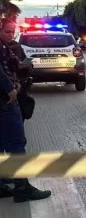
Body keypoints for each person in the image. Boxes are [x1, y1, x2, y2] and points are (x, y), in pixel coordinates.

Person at [0, 18, 51, 202]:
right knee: (16, 142)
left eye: (13, 32)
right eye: (7, 31)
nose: (11, 35)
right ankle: (22, 188)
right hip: (5, 102)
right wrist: (10, 88)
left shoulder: (7, 46)